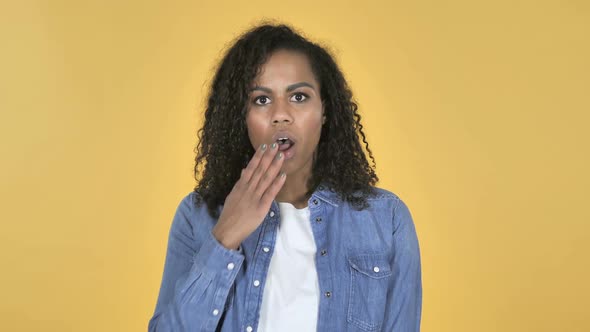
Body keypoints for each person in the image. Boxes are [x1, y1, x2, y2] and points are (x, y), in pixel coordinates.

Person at [148, 23, 422, 332]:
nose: (281, 114)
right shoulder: (196, 216)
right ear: (241, 117)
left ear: (325, 111)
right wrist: (225, 237)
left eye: (299, 97)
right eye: (261, 100)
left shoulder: (387, 220)